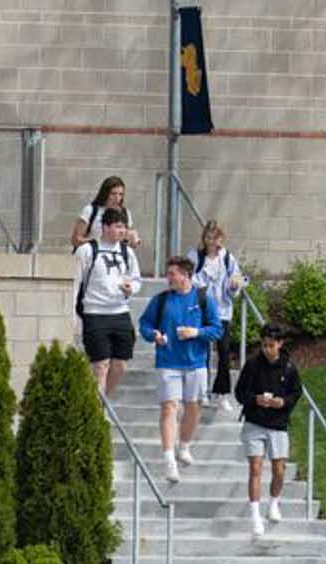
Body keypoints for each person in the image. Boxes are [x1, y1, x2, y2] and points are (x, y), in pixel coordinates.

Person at [136, 254, 223, 484]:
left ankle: (184, 446)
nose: (168, 278)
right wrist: (153, 335)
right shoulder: (161, 300)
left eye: (172, 274)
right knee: (169, 408)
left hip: (195, 363)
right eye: (168, 274)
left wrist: (196, 333)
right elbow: (145, 324)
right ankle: (169, 460)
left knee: (193, 407)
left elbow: (217, 329)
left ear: (186, 276)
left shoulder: (204, 299)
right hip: (168, 362)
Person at [232, 323, 303, 538]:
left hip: (278, 425)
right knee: (255, 467)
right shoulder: (253, 365)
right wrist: (255, 399)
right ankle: (255, 516)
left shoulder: (289, 367)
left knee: (279, 469)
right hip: (254, 422)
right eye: (263, 345)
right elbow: (239, 392)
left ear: (280, 344)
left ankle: (273, 502)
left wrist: (283, 403)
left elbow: (296, 392)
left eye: (271, 345)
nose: (266, 349)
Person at [73, 206, 144, 398]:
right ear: (105, 227)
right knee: (100, 365)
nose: (122, 231)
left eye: (124, 227)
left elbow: (136, 279)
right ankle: (98, 410)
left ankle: (104, 401)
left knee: (120, 364)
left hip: (120, 312)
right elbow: (75, 283)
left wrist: (131, 289)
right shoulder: (87, 251)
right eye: (118, 227)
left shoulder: (127, 252)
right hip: (95, 313)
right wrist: (73, 316)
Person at [192, 220, 249, 413]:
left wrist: (234, 286)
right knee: (203, 354)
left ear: (220, 239)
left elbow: (237, 280)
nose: (211, 242)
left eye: (214, 238)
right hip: (202, 311)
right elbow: (190, 280)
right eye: (208, 237)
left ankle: (222, 393)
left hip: (223, 312)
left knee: (224, 353)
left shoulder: (227, 258)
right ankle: (203, 392)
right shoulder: (196, 257)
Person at [71, 176, 132, 253]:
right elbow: (76, 240)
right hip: (92, 255)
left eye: (121, 194)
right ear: (105, 193)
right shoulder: (91, 210)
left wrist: (130, 239)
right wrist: (100, 241)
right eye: (113, 194)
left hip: (115, 257)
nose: (117, 198)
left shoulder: (125, 212)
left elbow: (125, 241)